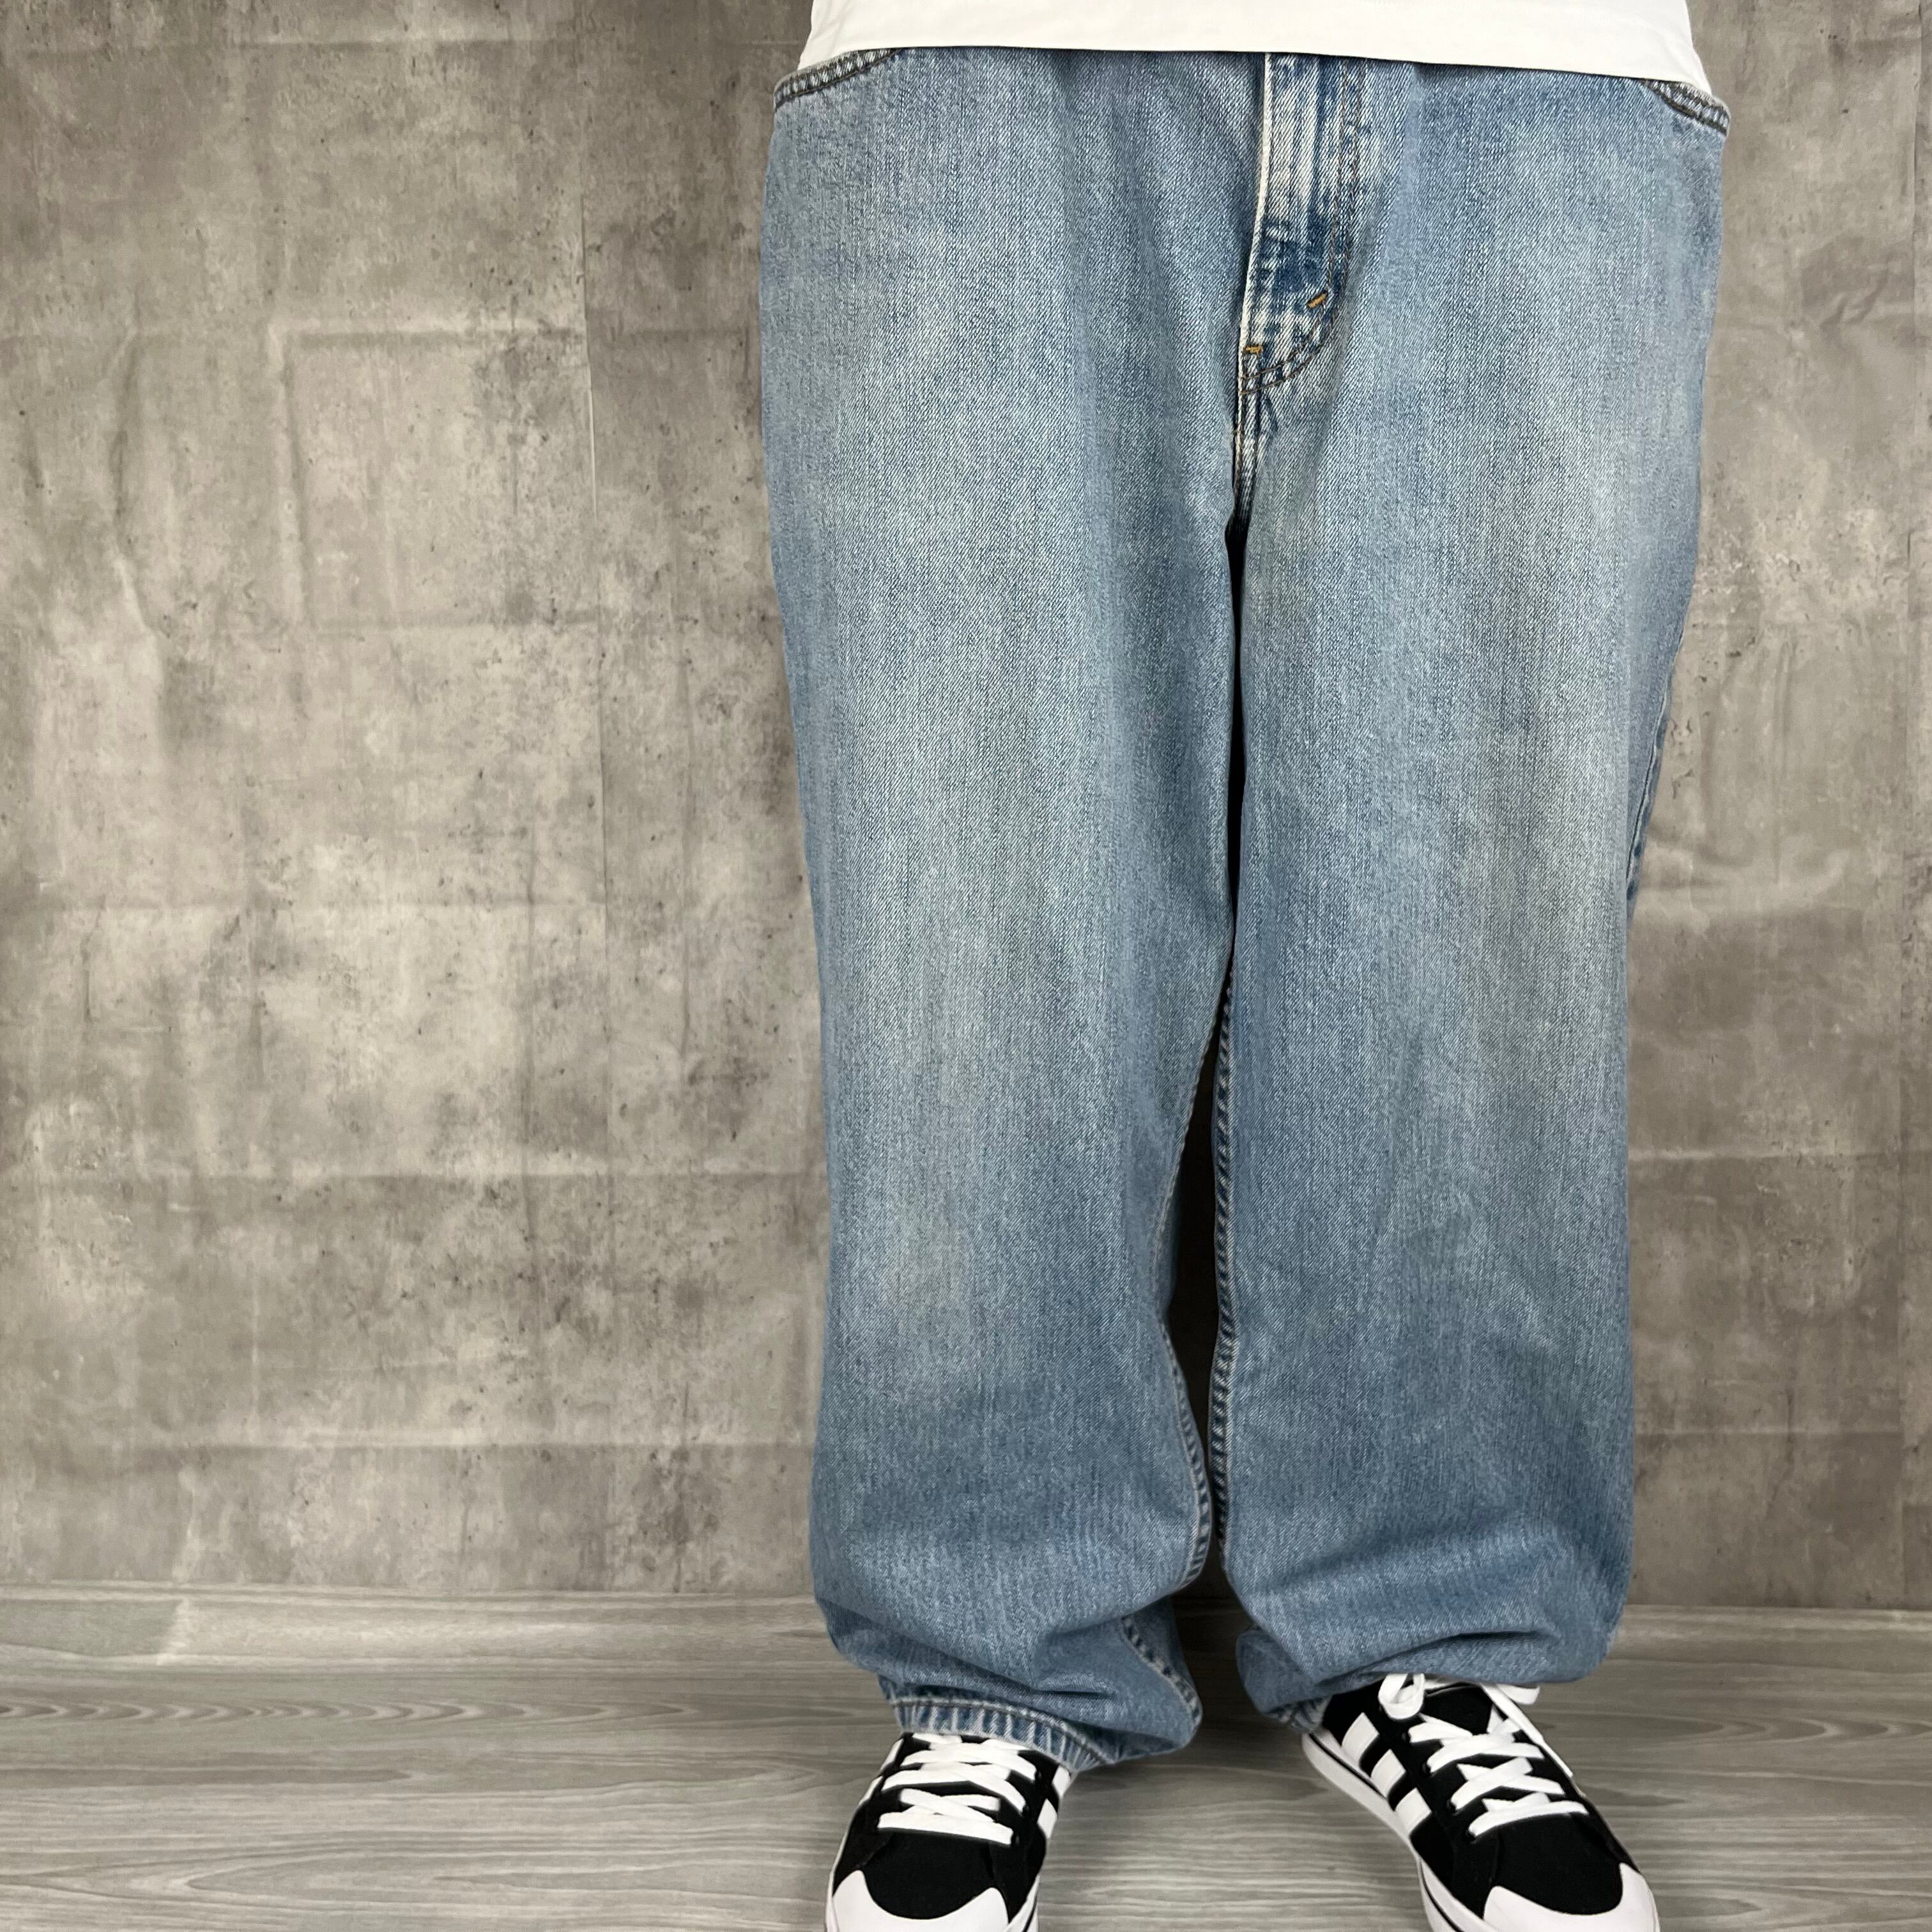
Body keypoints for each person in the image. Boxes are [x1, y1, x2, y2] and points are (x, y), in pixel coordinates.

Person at [757, 0, 1728, 1924]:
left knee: (1471, 948)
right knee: (980, 922)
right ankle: (991, 1659)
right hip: (977, 66)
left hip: (1544, 76)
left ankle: (1434, 1636)